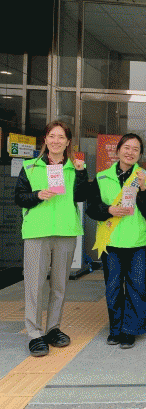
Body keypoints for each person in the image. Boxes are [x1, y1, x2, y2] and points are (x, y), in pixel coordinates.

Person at [14, 121, 88, 357]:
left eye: (61, 137)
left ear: (68, 142)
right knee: (34, 286)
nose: (56, 141)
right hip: (37, 232)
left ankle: (53, 328)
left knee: (59, 285)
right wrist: (37, 195)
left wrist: (81, 173)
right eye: (52, 136)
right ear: (45, 139)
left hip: (65, 231)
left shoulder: (75, 167)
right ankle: (34, 334)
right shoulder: (30, 167)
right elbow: (19, 197)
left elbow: (81, 196)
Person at [86, 133, 146, 349]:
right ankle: (115, 329)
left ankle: (130, 330)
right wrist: (109, 210)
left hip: (138, 241)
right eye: (127, 147)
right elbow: (91, 208)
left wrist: (144, 189)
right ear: (118, 151)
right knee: (113, 287)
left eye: (136, 149)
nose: (130, 152)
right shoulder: (102, 177)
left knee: (137, 287)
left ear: (140, 154)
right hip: (111, 241)